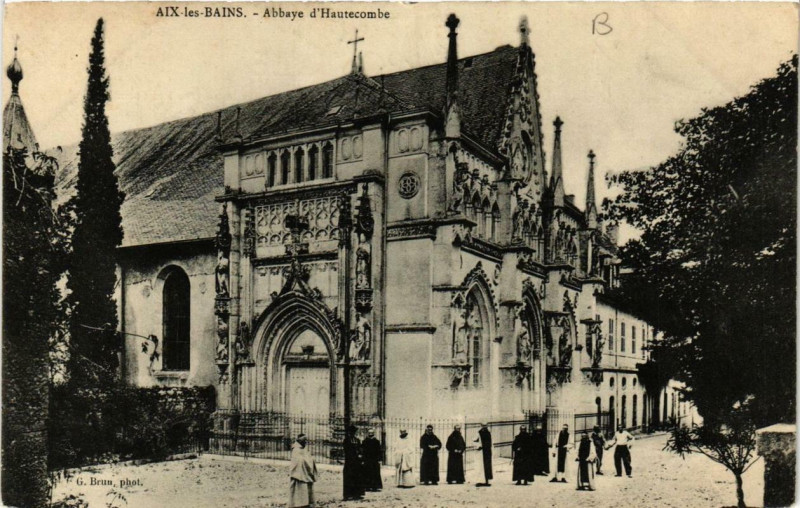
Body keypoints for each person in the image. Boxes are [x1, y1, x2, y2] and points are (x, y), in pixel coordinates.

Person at [289, 434, 318, 508]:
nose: (306, 442)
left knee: (307, 487)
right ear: (300, 441)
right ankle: (298, 504)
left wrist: (310, 460)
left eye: (306, 440)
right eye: (304, 440)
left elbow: (307, 458)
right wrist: (308, 460)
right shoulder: (296, 449)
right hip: (299, 474)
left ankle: (307, 502)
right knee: (299, 488)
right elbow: (298, 461)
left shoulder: (303, 449)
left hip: (305, 472)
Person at [343, 425, 365, 500]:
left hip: (357, 462)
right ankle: (348, 494)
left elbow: (360, 449)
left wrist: (360, 455)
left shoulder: (357, 440)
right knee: (349, 478)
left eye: (354, 432)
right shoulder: (346, 440)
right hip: (349, 462)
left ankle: (357, 494)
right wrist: (354, 455)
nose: (352, 433)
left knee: (357, 477)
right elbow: (347, 451)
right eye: (351, 432)